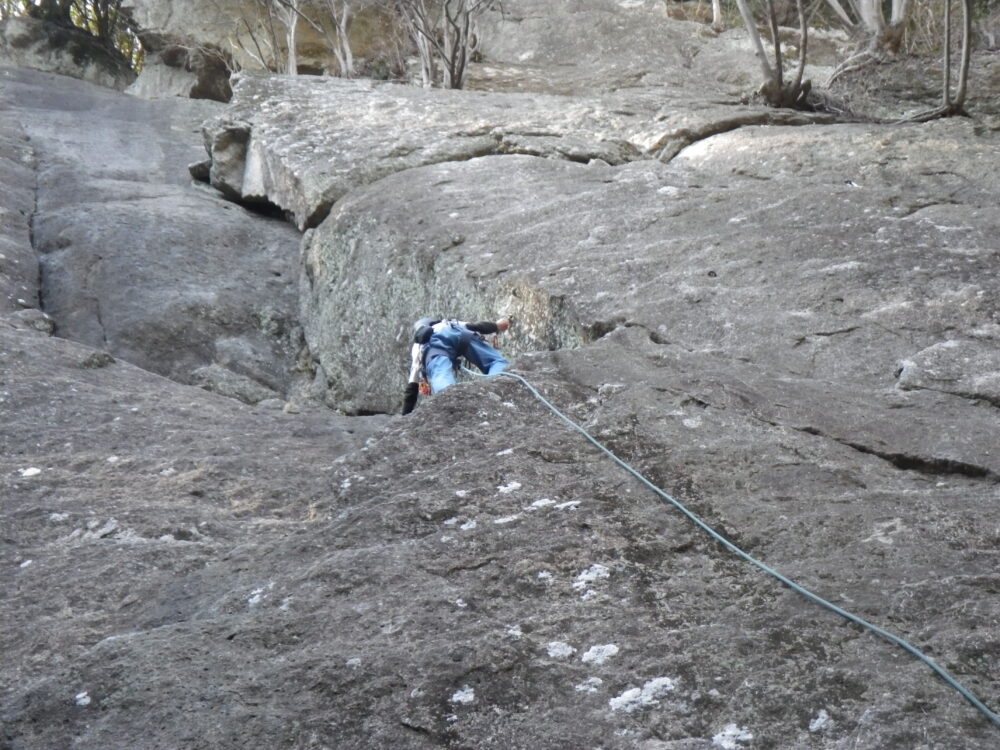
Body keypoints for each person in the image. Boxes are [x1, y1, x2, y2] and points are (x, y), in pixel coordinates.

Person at [402, 316, 511, 414]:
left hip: (435, 348)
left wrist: (405, 415)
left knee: (441, 377)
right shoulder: (447, 323)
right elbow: (476, 326)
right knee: (495, 362)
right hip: (460, 333)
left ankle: (449, 400)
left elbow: (412, 387)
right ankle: (496, 384)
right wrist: (498, 325)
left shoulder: (418, 346)